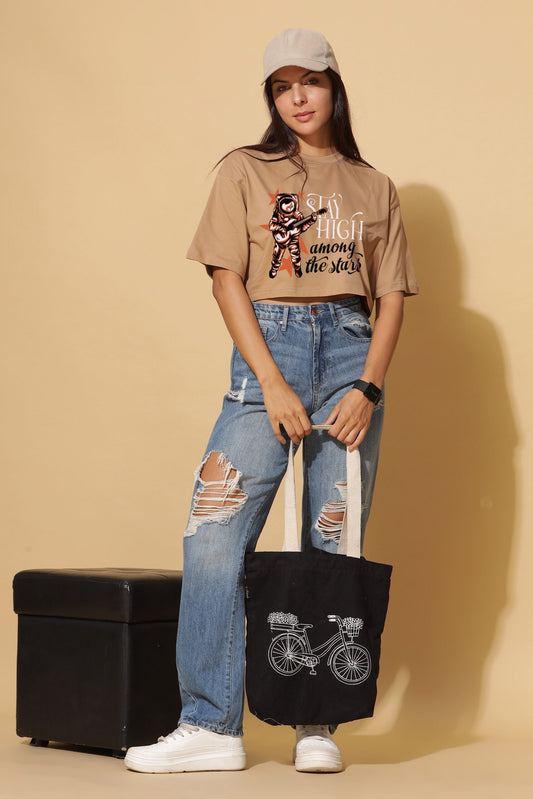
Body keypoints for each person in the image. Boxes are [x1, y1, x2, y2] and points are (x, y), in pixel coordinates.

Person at [125, 27, 418, 775]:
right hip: (269, 352)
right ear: (271, 97)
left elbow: (389, 297)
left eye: (310, 81)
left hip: (350, 354)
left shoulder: (373, 185)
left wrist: (368, 387)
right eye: (282, 86)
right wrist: (272, 382)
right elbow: (226, 278)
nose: (297, 97)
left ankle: (316, 722)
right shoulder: (244, 170)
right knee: (214, 529)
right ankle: (210, 723)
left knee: (333, 540)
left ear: (333, 87)